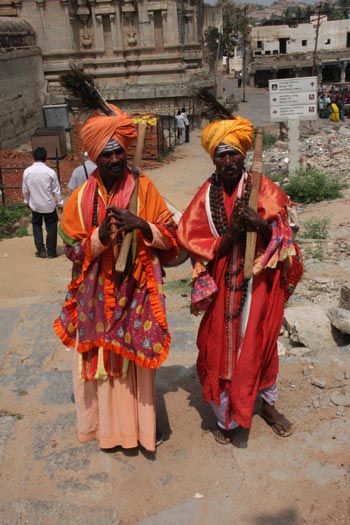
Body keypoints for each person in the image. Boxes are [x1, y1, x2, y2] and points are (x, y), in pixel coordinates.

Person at [53, 103, 178, 453]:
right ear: (95, 158)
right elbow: (73, 252)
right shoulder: (79, 201)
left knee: (137, 363)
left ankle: (141, 431)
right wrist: (100, 237)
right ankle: (107, 432)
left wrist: (143, 226)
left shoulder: (145, 187)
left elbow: (171, 237)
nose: (113, 160)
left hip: (137, 290)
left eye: (118, 152)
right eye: (106, 154)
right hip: (97, 296)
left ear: (126, 153)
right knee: (102, 365)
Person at [177, 116, 303, 444]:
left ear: (244, 155)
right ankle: (225, 415)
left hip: (259, 280)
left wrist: (261, 225)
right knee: (215, 345)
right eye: (221, 155)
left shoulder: (266, 189)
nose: (228, 160)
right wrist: (232, 234)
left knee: (261, 343)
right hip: (222, 283)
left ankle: (268, 406)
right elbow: (190, 238)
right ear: (213, 159)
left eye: (233, 153)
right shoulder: (206, 196)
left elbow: (288, 238)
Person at [22, 146, 63, 258]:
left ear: (34, 157)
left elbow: (25, 189)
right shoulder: (50, 172)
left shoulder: (27, 172)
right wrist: (60, 203)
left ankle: (41, 250)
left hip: (35, 205)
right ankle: (51, 251)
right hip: (48, 205)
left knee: (36, 226)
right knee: (51, 227)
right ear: (45, 158)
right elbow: (56, 190)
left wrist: (27, 201)